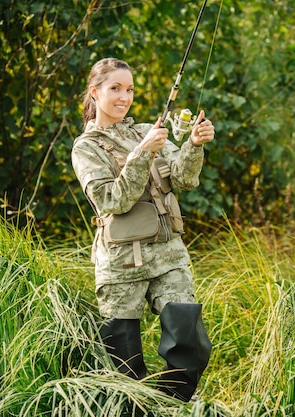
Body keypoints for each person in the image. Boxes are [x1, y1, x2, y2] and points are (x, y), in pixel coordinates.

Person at [71, 57, 214, 402]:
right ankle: (136, 408)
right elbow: (111, 200)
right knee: (124, 367)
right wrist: (141, 153)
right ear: (95, 92)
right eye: (115, 88)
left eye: (129, 89)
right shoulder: (85, 147)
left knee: (190, 343)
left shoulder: (145, 130)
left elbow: (183, 178)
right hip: (121, 266)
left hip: (169, 257)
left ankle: (168, 404)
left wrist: (194, 144)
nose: (124, 97)